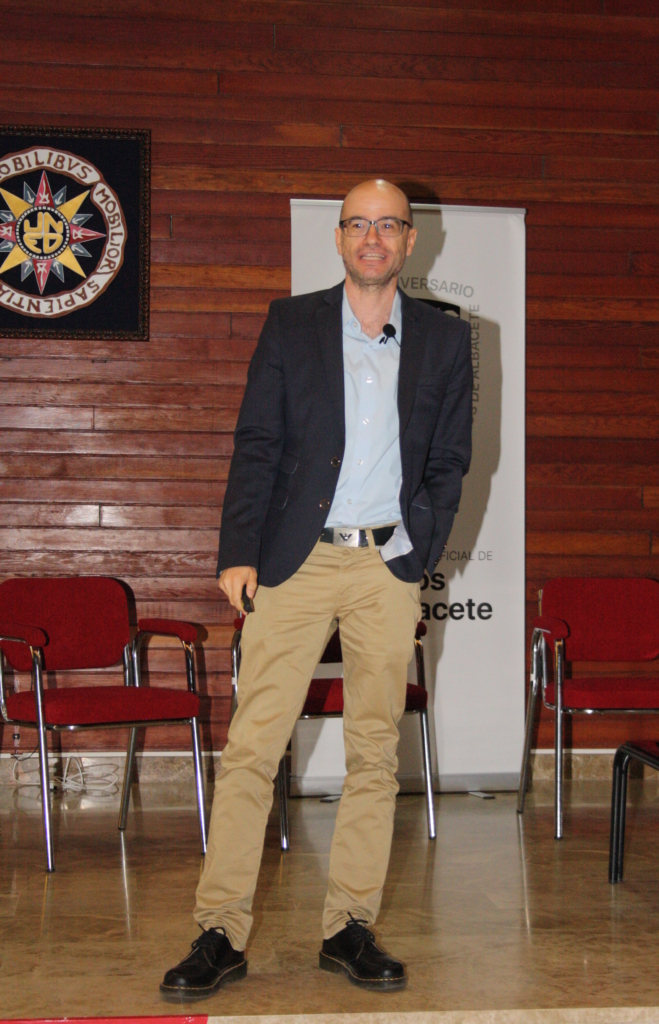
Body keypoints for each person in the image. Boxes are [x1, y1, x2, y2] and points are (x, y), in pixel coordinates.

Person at [161, 179, 473, 1000]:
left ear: (410, 241)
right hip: (293, 563)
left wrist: (418, 547)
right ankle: (219, 932)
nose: (372, 238)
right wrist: (239, 550)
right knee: (253, 748)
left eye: (388, 225)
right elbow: (257, 441)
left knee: (374, 750)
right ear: (338, 238)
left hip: (384, 565)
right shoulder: (291, 324)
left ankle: (349, 928)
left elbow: (450, 458)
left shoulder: (446, 339)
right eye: (357, 224)